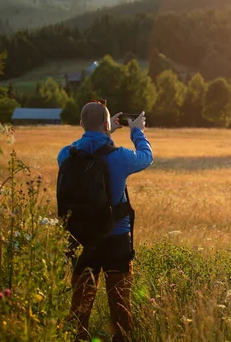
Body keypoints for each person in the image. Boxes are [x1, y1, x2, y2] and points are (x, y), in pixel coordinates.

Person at [57, 101, 153, 341]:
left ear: (81, 124)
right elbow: (146, 156)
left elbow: (89, 148)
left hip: (80, 239)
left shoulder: (65, 154)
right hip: (116, 239)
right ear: (107, 123)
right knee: (120, 308)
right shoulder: (120, 157)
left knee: (79, 309)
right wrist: (137, 130)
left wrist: (105, 131)